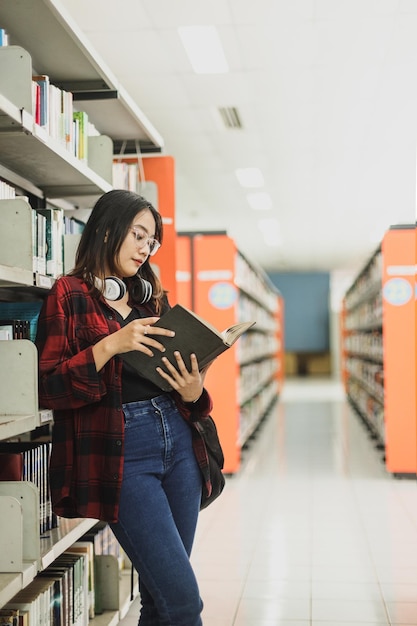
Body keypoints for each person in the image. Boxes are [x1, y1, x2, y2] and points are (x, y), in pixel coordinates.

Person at [35, 189, 213, 626]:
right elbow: (47, 388)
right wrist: (109, 345)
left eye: (151, 242)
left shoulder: (150, 299)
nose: (144, 248)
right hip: (123, 454)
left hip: (179, 442)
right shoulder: (68, 295)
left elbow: (178, 380)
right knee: (184, 602)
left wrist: (192, 392)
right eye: (137, 235)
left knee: (159, 598)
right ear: (108, 228)